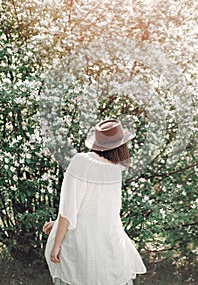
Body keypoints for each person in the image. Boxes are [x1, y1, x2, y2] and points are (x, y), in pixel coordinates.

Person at [43, 119, 147, 285]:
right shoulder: (115, 170)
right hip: (109, 245)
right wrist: (57, 224)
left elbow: (69, 209)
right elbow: (99, 211)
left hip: (81, 244)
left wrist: (56, 244)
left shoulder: (81, 161)